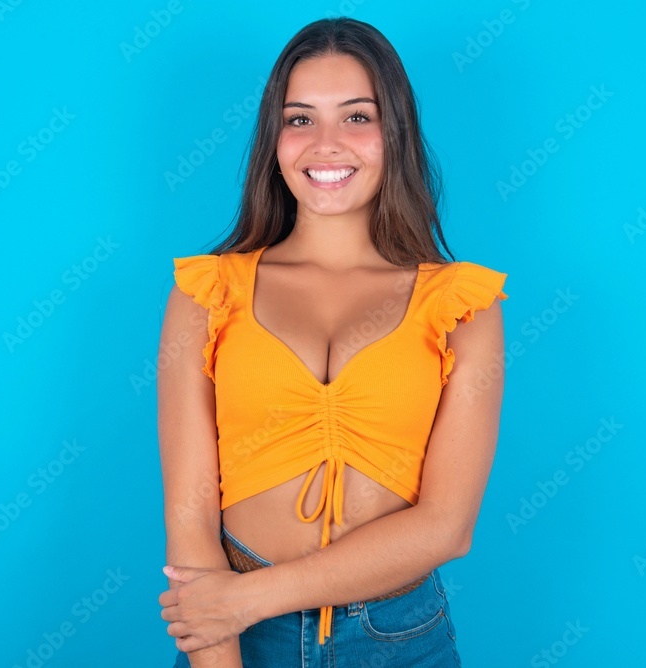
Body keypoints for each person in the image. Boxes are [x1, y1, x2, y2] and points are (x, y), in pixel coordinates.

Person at [157, 16, 508, 667]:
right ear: (274, 139)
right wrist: (226, 633)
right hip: (230, 639)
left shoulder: (464, 306)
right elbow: (188, 516)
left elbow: (447, 527)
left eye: (356, 117)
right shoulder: (205, 295)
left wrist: (249, 597)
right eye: (299, 119)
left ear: (395, 132)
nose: (325, 144)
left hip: (400, 636)